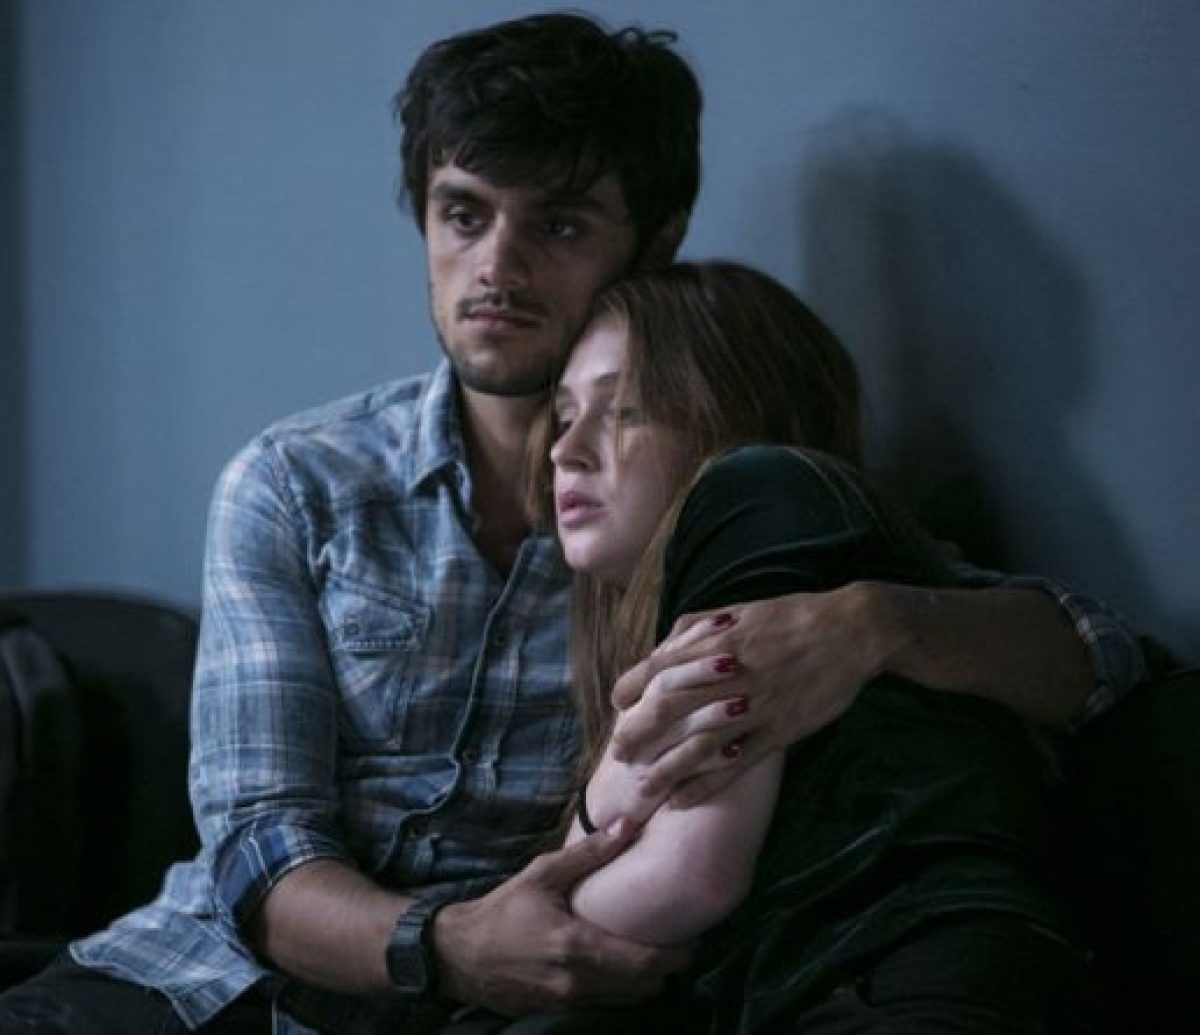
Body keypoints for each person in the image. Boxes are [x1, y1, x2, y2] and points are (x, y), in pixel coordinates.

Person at [0, 12, 1141, 1035]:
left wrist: (873, 624)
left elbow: (1103, 661)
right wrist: (449, 945)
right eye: (463, 214)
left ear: (655, 238)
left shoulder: (701, 499)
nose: (496, 266)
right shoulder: (296, 482)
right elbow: (260, 845)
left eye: (557, 223)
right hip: (207, 982)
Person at [540, 260, 1087, 1031]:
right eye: (564, 415)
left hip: (912, 986)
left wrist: (537, 920)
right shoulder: (678, 595)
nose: (566, 449)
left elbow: (690, 874)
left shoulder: (758, 488)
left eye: (625, 409)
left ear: (731, 411)